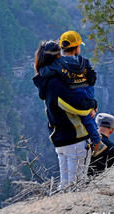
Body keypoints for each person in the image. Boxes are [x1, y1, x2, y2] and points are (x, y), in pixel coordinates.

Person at [33, 40, 97, 190]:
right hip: (75, 138)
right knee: (78, 185)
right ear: (57, 57)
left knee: (65, 185)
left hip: (61, 139)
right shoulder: (56, 82)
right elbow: (75, 106)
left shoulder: (45, 80)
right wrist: (91, 106)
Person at [39, 30, 107, 157]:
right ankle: (97, 141)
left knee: (85, 116)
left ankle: (97, 141)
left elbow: (47, 72)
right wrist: (92, 104)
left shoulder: (57, 64)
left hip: (73, 91)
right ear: (77, 48)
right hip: (87, 90)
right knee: (88, 115)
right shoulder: (84, 62)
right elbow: (92, 77)